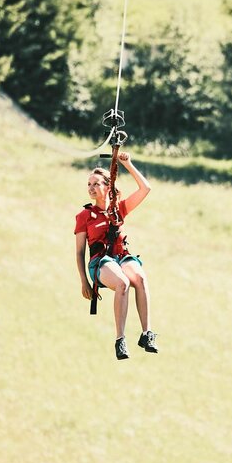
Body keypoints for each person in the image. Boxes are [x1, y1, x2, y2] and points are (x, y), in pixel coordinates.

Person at [74, 152, 156, 360]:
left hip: (121, 256)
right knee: (122, 283)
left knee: (140, 277)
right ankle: (120, 339)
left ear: (107, 187)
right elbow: (80, 251)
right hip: (100, 262)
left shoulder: (118, 210)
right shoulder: (84, 216)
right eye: (89, 184)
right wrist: (84, 280)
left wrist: (127, 164)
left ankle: (146, 334)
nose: (91, 188)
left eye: (96, 184)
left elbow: (145, 188)